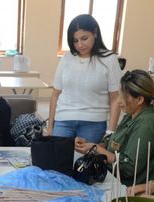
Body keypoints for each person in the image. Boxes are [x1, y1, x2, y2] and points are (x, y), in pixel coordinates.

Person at [75, 70, 154, 186]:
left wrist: (96, 148)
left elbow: (129, 167)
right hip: (114, 178)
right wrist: (89, 146)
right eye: (119, 95)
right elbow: (111, 144)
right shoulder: (131, 116)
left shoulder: (145, 124)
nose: (118, 101)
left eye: (123, 96)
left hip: (130, 189)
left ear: (140, 100)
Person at [48, 14, 122, 143]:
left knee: (85, 162)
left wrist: (110, 131)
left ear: (95, 33)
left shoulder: (109, 59)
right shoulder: (67, 58)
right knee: (57, 160)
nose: (80, 45)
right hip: (63, 119)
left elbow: (115, 98)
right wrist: (50, 127)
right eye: (75, 41)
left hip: (94, 122)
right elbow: (55, 94)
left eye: (84, 38)